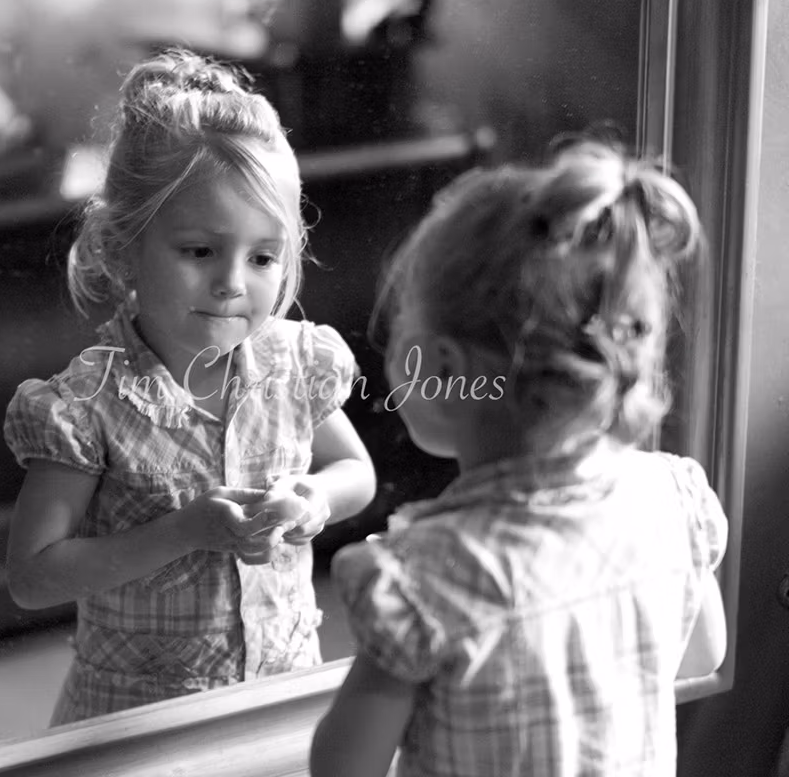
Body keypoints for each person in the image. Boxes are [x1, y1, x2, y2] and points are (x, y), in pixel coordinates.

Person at [310, 138, 728, 776]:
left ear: (442, 367)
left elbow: (344, 767)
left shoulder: (426, 576)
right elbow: (701, 656)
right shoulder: (673, 498)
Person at [3, 48, 376, 724]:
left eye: (263, 257)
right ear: (123, 247)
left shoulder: (295, 365)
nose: (234, 282)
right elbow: (32, 576)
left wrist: (314, 498)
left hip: (279, 690)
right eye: (200, 251)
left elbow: (356, 472)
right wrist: (184, 532)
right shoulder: (88, 406)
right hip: (139, 719)